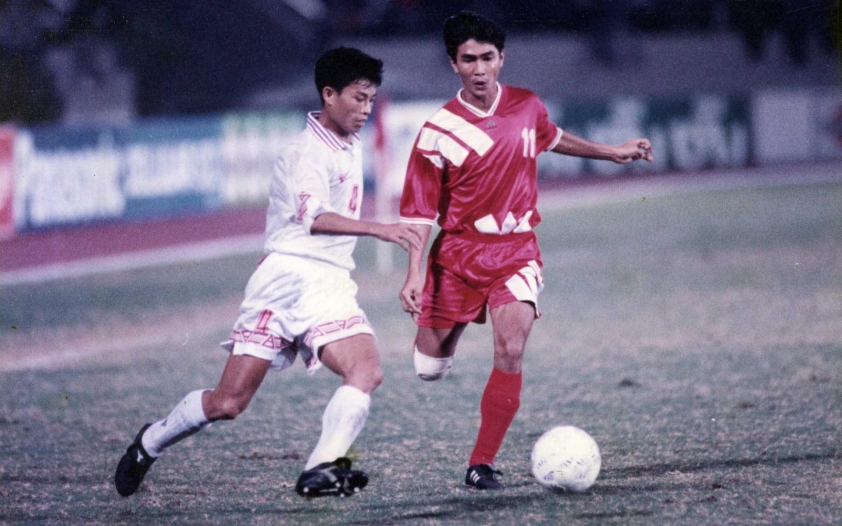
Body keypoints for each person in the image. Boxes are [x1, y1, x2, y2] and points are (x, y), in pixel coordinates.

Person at [115, 47, 422, 499]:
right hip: (284, 281)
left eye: (371, 100)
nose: (365, 109)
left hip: (330, 283)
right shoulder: (305, 152)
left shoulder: (349, 141)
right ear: (329, 94)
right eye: (358, 98)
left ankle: (321, 467)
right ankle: (151, 442)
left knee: (366, 370)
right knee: (228, 403)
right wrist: (380, 228)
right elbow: (314, 218)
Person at [397, 11, 653, 491]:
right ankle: (450, 328)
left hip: (516, 251)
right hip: (456, 256)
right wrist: (414, 273)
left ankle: (481, 463)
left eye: (487, 58)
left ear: (502, 58)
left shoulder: (526, 105)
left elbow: (552, 138)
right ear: (453, 63)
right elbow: (417, 213)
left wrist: (613, 151)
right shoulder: (437, 131)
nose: (479, 69)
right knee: (429, 368)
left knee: (511, 348)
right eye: (468, 59)